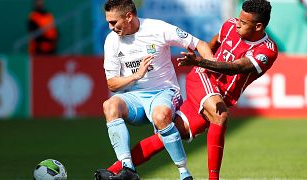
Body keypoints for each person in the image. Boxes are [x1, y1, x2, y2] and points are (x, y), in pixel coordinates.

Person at [96, 0, 278, 179]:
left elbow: (237, 67)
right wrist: (205, 61)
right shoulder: (230, 25)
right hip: (203, 78)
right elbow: (215, 41)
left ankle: (114, 171)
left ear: (258, 26)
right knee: (220, 114)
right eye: (238, 19)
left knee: (169, 134)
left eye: (243, 23)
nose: (237, 24)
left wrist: (201, 60)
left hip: (219, 93)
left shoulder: (267, 51)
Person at [94, 0, 213, 180]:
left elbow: (200, 44)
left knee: (160, 116)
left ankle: (184, 173)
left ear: (128, 16)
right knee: (110, 105)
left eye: (113, 22)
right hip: (135, 98)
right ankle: (128, 170)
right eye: (108, 22)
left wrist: (213, 68)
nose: (110, 27)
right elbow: (112, 84)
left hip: (164, 92)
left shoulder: (157, 28)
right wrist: (136, 76)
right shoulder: (111, 41)